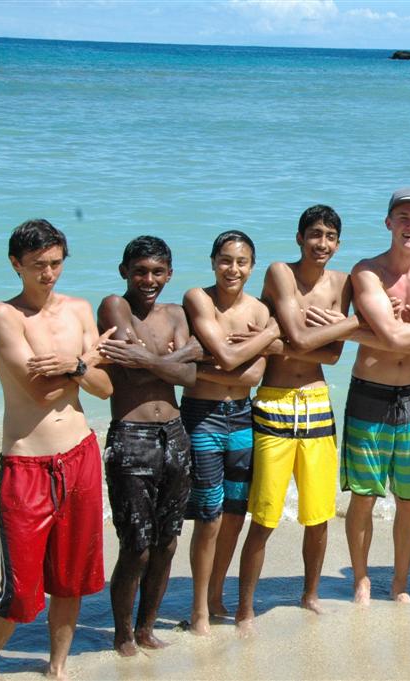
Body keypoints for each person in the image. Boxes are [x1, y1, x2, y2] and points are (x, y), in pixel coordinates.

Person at [0, 219, 113, 680]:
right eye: (37, 265)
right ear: (16, 264)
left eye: (55, 263)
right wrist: (84, 362)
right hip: (26, 464)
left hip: (80, 454)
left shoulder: (79, 309)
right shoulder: (2, 316)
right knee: (18, 591)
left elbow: (105, 388)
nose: (48, 273)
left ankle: (57, 669)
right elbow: (38, 393)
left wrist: (76, 366)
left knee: (71, 579)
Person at [235, 205, 359, 628]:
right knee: (265, 514)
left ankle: (310, 595)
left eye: (330, 236)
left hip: (317, 404)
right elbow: (306, 339)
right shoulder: (280, 273)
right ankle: (245, 608)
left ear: (338, 243)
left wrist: (285, 344)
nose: (321, 243)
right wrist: (347, 324)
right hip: (274, 402)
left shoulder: (342, 283)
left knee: (319, 514)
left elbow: (333, 355)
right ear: (299, 238)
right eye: (315, 234)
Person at [342, 187, 410, 604]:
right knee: (364, 494)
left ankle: (400, 581)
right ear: (388, 222)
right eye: (403, 217)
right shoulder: (366, 272)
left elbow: (401, 338)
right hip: (368, 393)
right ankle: (361, 578)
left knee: (409, 496)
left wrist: (375, 330)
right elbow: (395, 337)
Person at [96, 236, 202, 655]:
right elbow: (132, 373)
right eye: (140, 271)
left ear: (170, 274)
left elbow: (190, 378)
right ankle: (123, 634)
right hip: (131, 436)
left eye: (158, 272)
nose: (149, 280)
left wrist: (151, 359)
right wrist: (182, 354)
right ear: (124, 271)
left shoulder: (175, 313)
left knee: (167, 542)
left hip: (174, 434)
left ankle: (145, 629)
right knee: (136, 547)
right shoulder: (113, 306)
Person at [181, 230, 279, 633]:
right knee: (208, 516)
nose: (232, 269)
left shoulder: (259, 309)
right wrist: (268, 336)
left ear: (252, 267)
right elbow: (226, 355)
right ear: (212, 262)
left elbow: (253, 375)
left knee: (235, 514)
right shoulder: (197, 299)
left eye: (241, 262)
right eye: (225, 260)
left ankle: (216, 594)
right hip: (202, 416)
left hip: (241, 417)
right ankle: (198, 610)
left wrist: (204, 367)